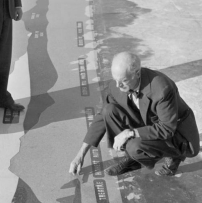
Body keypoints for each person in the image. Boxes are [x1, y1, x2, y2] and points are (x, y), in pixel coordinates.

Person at [69, 52, 200, 177]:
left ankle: (173, 155)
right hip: (150, 121)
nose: (118, 85)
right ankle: (135, 158)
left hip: (177, 133)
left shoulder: (162, 88)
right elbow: (101, 117)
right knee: (109, 110)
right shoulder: (118, 84)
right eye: (115, 79)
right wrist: (80, 154)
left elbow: (166, 128)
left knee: (134, 146)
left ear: (137, 73)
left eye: (123, 81)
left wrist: (129, 133)